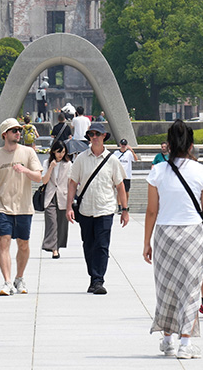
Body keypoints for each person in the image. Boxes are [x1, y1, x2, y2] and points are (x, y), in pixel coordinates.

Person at [143, 119, 203, 358]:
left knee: (166, 287)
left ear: (169, 145)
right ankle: (185, 343)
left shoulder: (157, 171)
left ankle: (167, 339)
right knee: (191, 289)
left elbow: (151, 210)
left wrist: (146, 242)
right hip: (192, 234)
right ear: (191, 145)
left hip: (164, 233)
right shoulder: (201, 172)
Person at [67, 123, 129, 295]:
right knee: (88, 245)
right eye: (91, 134)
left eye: (98, 134)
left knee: (102, 246)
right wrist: (68, 207)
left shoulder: (112, 160)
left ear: (104, 136)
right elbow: (72, 183)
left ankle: (98, 279)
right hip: (85, 209)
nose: (94, 137)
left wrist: (124, 209)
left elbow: (120, 186)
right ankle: (93, 277)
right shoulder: (81, 159)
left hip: (105, 209)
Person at [0, 118, 43, 296]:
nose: (18, 133)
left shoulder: (28, 153)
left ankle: (19, 277)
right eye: (14, 130)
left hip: (24, 207)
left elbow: (39, 177)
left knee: (23, 244)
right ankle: (7, 281)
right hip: (3, 207)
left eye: (19, 130)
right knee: (4, 242)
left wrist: (25, 170)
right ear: (5, 135)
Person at [41, 140, 72, 259]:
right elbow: (44, 180)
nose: (61, 155)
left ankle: (57, 247)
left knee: (61, 224)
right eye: (59, 152)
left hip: (63, 196)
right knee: (52, 222)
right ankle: (53, 248)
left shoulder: (68, 164)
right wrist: (51, 168)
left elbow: (70, 182)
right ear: (53, 151)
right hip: (50, 197)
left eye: (63, 152)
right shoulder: (46, 162)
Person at [114, 139, 138, 212]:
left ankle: (125, 205)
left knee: (126, 191)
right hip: (119, 175)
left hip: (127, 175)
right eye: (122, 144)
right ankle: (119, 206)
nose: (123, 146)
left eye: (125, 145)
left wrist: (132, 151)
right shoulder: (116, 153)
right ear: (120, 144)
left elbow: (136, 159)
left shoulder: (129, 153)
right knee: (119, 191)